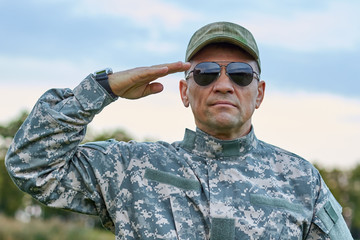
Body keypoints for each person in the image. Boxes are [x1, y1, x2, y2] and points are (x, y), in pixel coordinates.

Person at [5, 22, 353, 239]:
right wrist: (102, 88)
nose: (223, 85)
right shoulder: (132, 167)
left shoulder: (301, 181)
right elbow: (31, 165)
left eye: (240, 74)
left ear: (258, 93)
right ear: (185, 92)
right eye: (205, 73)